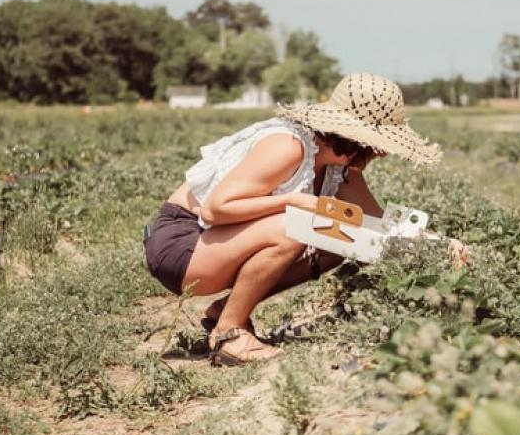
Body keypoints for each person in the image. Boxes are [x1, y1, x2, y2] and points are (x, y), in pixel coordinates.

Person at [143, 73, 448, 366]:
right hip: (183, 244)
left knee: (342, 239)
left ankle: (226, 310)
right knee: (296, 225)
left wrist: (441, 244)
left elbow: (379, 224)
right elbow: (215, 209)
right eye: (379, 144)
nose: (381, 154)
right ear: (355, 137)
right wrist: (292, 201)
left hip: (216, 244)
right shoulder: (288, 147)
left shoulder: (339, 167)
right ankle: (229, 335)